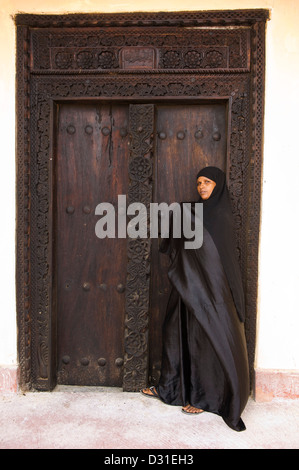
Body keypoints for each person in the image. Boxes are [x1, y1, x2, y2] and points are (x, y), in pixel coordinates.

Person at [141, 166, 250, 432]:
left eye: (208, 182)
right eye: (199, 182)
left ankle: (205, 398)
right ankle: (172, 387)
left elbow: (215, 256)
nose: (201, 186)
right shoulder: (192, 211)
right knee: (174, 330)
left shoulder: (220, 215)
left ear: (218, 185)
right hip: (189, 285)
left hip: (213, 291)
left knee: (207, 337)